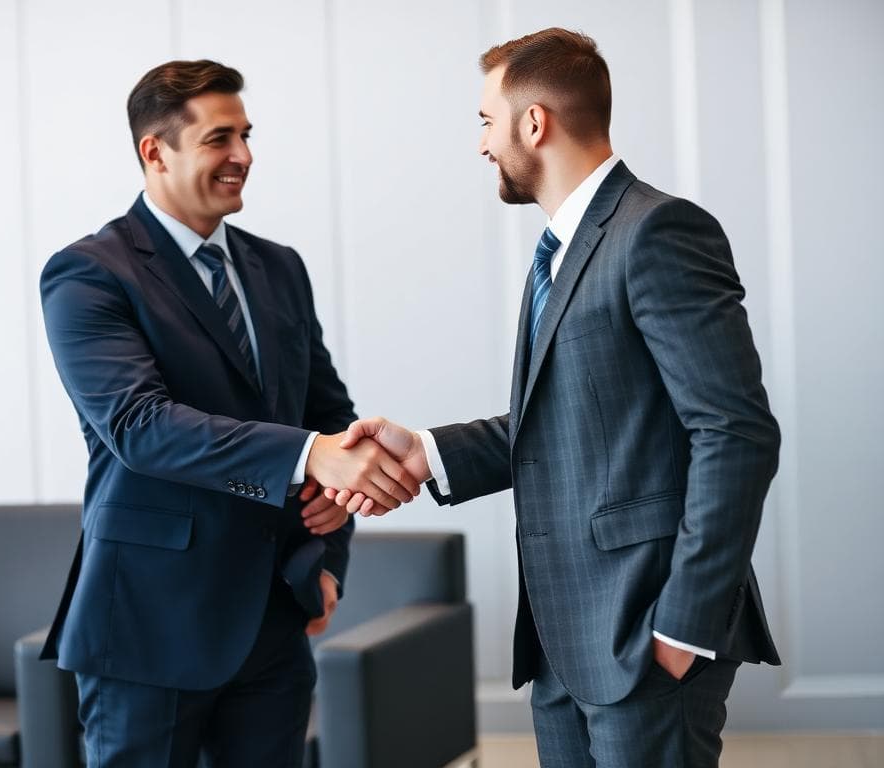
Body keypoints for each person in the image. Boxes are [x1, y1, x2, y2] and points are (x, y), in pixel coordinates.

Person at [333, 28, 781, 768]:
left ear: (533, 122)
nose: (481, 143)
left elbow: (736, 432)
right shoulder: (563, 251)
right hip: (561, 642)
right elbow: (566, 428)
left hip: (643, 636)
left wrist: (682, 626)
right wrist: (428, 452)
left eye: (486, 120)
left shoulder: (657, 232)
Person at [38, 59, 420, 767]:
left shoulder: (280, 267)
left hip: (275, 619)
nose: (243, 156)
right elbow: (139, 428)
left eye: (245, 135)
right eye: (220, 138)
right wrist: (310, 457)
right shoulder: (89, 272)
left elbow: (330, 417)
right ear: (155, 151)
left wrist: (327, 556)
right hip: (149, 626)